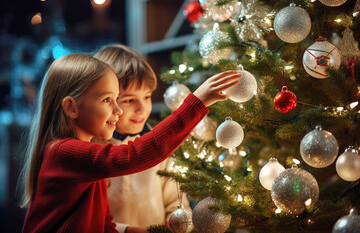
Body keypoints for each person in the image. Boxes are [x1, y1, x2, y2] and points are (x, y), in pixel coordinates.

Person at [19, 53, 241, 233]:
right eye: (107, 100)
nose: (117, 110)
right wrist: (197, 102)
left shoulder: (86, 162)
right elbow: (133, 156)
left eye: (117, 99)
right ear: (71, 107)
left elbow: (104, 226)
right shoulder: (64, 152)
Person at [93, 44, 191, 233]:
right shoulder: (90, 149)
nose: (142, 108)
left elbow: (177, 205)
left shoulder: (160, 144)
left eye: (146, 97)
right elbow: (89, 220)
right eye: (129, 100)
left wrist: (177, 226)